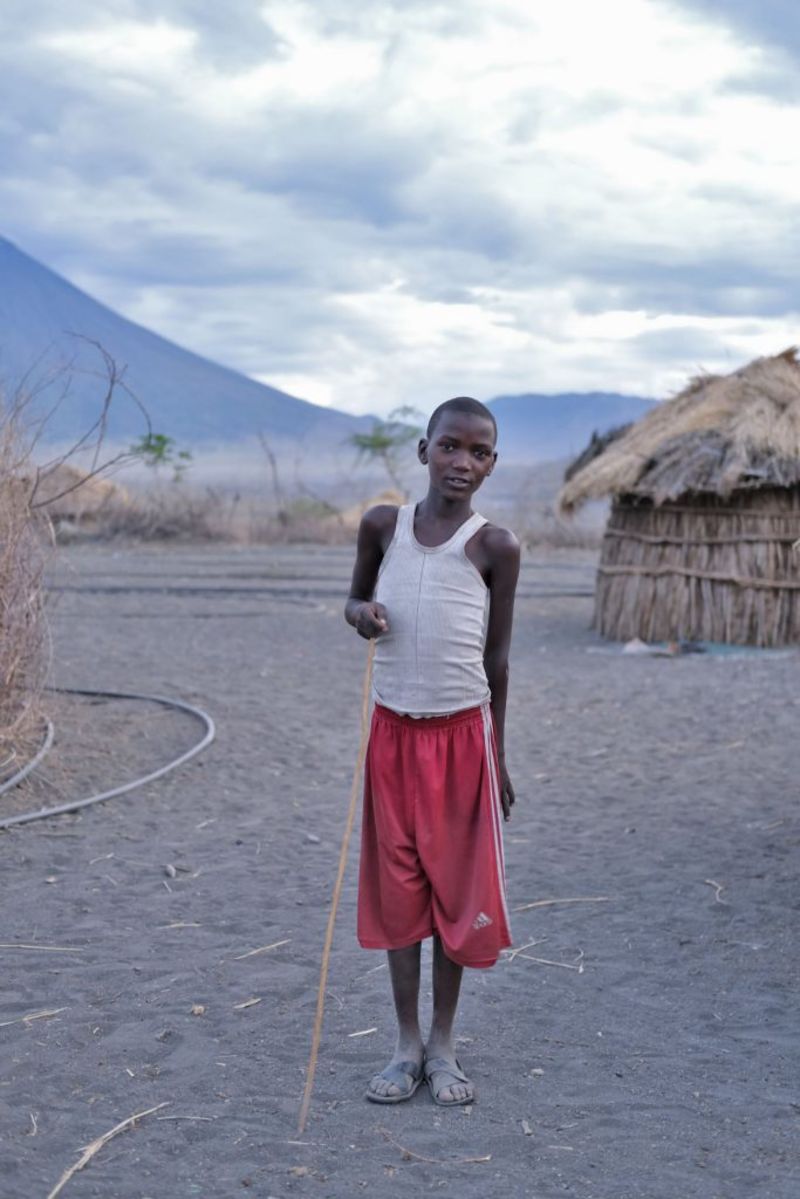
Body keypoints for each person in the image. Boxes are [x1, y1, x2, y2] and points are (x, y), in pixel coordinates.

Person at [344, 396, 520, 1107]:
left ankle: (445, 1046)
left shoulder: (494, 548)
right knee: (399, 893)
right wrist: (363, 615)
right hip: (392, 735)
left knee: (455, 895)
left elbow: (498, 659)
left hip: (462, 741)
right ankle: (404, 1044)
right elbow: (354, 601)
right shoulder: (383, 526)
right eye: (450, 446)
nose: (462, 462)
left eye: (478, 453)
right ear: (423, 451)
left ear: (492, 465)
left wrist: (498, 757)